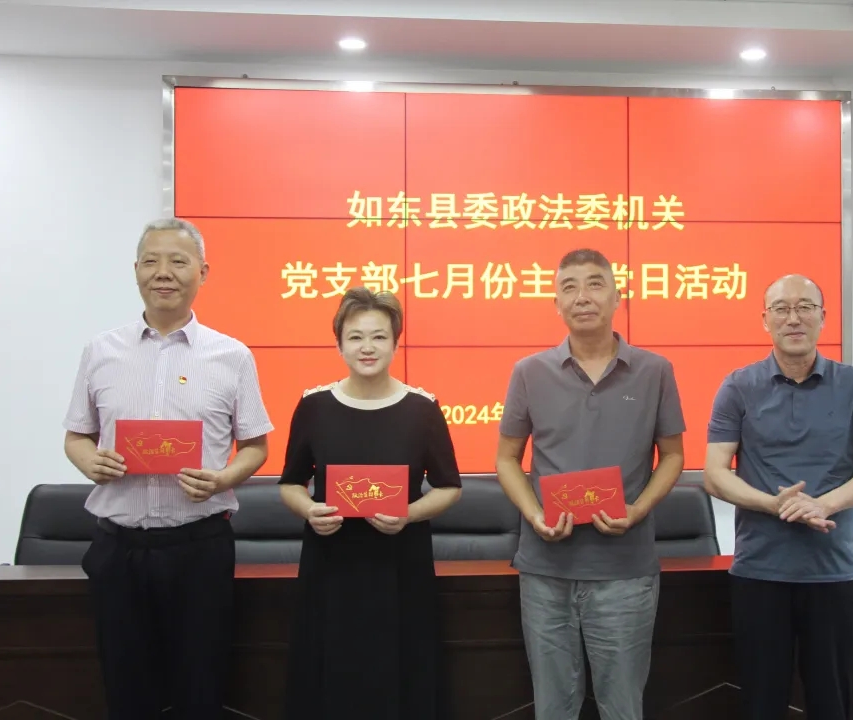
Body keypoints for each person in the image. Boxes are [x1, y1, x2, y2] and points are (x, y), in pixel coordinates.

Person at [62, 218, 274, 720]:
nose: (164, 272)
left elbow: (256, 446)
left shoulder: (232, 355)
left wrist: (223, 479)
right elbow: (76, 436)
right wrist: (89, 459)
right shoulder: (101, 351)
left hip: (198, 547)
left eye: (178, 261)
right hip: (119, 549)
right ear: (135, 270)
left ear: (202, 272)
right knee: (126, 689)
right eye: (151, 261)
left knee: (200, 687)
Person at [494, 248, 686, 720]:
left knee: (622, 706)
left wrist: (637, 510)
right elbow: (506, 459)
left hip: (625, 570)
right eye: (570, 287)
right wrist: (534, 515)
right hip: (546, 570)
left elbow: (673, 455)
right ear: (556, 303)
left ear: (618, 296)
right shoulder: (529, 372)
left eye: (595, 283)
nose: (583, 296)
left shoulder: (655, 370)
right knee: (553, 707)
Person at [703, 273, 853, 720]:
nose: (794, 318)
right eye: (782, 309)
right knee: (761, 702)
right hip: (760, 570)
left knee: (832, 702)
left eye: (805, 307)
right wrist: (773, 505)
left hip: (832, 572)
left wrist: (823, 504)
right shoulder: (738, 386)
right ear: (765, 320)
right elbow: (714, 474)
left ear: (823, 318)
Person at [277, 287, 463, 720]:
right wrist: (309, 510)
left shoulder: (422, 409)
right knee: (332, 672)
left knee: (400, 669)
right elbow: (290, 483)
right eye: (356, 337)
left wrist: (409, 514)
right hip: (332, 563)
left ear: (396, 343)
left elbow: (449, 487)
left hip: (399, 564)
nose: (367, 347)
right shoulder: (314, 406)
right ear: (339, 344)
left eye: (379, 337)